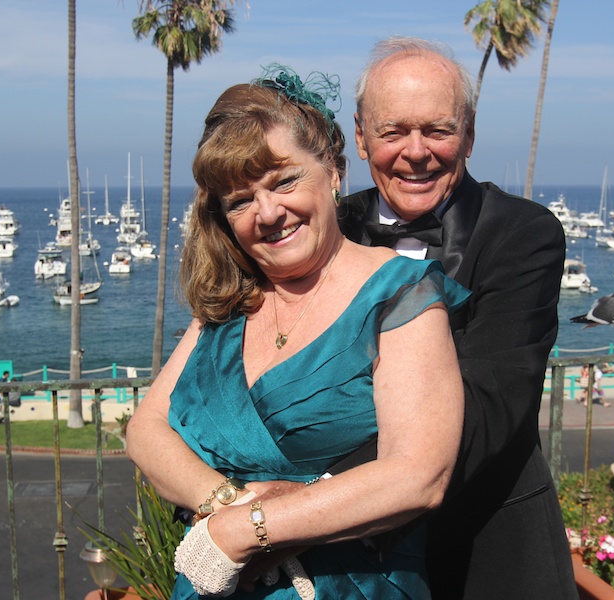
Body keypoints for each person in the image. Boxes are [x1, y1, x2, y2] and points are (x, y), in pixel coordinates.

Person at [125, 65, 470, 598]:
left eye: (284, 181)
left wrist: (248, 530)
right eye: (240, 200)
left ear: (332, 170)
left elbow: (417, 475)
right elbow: (146, 430)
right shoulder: (230, 302)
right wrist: (225, 506)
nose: (267, 212)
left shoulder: (402, 295)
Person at [337, 37, 578, 599]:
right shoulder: (327, 228)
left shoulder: (523, 234)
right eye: (393, 130)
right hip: (340, 568)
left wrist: (315, 491)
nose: (415, 152)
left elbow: (492, 405)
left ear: (468, 134)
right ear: (360, 135)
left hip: (488, 555)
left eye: (438, 130)